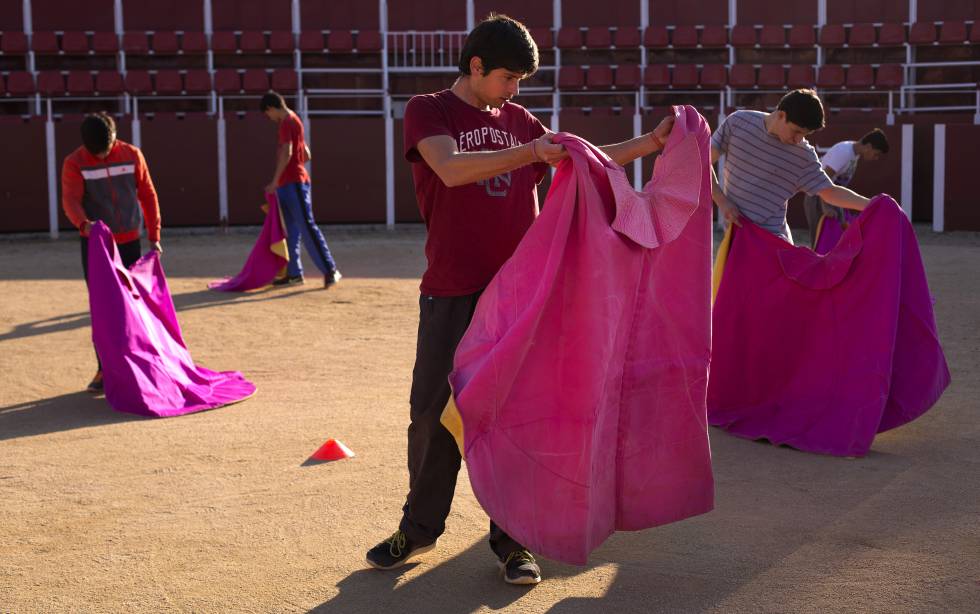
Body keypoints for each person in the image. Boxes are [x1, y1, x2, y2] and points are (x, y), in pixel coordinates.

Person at [365, 13, 676, 585]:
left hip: (518, 298)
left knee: (515, 417)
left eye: (520, 82)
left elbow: (585, 158)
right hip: (452, 291)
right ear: (476, 66)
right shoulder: (428, 110)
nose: (515, 91)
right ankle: (420, 527)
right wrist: (531, 152)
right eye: (508, 78)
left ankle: (514, 541)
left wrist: (651, 144)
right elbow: (452, 170)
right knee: (432, 415)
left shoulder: (519, 120)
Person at [61, 112, 162, 392]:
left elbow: (148, 194)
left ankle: (141, 364)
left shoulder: (131, 154)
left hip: (131, 241)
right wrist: (84, 225)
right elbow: (70, 199)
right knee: (103, 307)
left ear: (115, 136)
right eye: (97, 153)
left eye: (106, 150)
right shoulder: (75, 162)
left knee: (135, 304)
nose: (103, 156)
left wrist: (154, 235)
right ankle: (105, 368)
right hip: (97, 245)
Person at [711, 89, 871, 241]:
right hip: (736, 236)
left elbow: (830, 192)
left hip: (774, 241)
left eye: (805, 134)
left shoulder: (803, 155)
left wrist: (871, 205)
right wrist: (722, 201)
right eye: (796, 131)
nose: (798, 140)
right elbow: (702, 163)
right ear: (781, 115)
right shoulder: (737, 122)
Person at [260, 92, 341, 288]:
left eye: (267, 114)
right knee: (291, 231)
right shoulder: (294, 120)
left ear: (271, 108)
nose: (269, 118)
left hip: (293, 183)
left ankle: (330, 269)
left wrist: (275, 180)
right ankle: (294, 273)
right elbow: (306, 154)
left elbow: (288, 152)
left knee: (306, 226)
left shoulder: (287, 122)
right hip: (292, 182)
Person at [803, 129, 890, 246]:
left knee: (834, 242)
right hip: (818, 197)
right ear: (868, 146)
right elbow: (825, 177)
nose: (875, 158)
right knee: (820, 242)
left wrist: (841, 212)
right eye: (876, 153)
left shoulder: (854, 154)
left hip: (831, 198)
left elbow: (837, 185)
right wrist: (825, 207)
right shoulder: (844, 151)